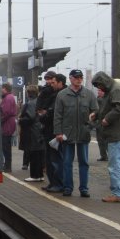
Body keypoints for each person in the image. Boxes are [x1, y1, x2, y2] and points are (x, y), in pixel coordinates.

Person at [53, 69, 98, 197]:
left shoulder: (89, 95)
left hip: (83, 134)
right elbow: (57, 115)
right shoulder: (62, 95)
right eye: (76, 77)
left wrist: (90, 126)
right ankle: (68, 187)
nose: (79, 79)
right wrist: (58, 132)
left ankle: (84, 188)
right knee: (67, 162)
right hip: (67, 134)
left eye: (81, 77)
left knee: (84, 162)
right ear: (71, 78)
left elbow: (96, 112)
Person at [91, 71, 120, 202]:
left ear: (104, 82)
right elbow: (108, 107)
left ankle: (117, 193)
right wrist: (97, 115)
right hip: (115, 132)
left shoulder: (115, 90)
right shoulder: (111, 90)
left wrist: (107, 119)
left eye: (99, 85)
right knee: (119, 164)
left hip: (115, 132)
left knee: (114, 164)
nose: (98, 88)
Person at [37, 72, 64, 192]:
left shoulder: (59, 95)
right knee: (50, 159)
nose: (50, 84)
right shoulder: (50, 92)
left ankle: (57, 183)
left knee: (55, 159)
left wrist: (44, 114)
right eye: (49, 81)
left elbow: (51, 113)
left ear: (60, 82)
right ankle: (53, 182)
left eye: (53, 82)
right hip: (49, 130)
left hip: (54, 131)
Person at [18, 84, 45, 182]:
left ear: (28, 93)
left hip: (32, 132)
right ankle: (40, 175)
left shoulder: (30, 103)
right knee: (39, 154)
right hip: (39, 130)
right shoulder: (39, 101)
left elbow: (30, 117)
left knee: (33, 154)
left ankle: (34, 175)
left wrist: (20, 120)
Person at [0, 82, 18, 172]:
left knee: (6, 145)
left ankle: (7, 166)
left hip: (7, 124)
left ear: (5, 89)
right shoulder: (10, 97)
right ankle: (7, 165)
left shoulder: (7, 98)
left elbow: (6, 112)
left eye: (2, 88)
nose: (1, 90)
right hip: (9, 122)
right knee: (6, 145)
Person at [94, 86, 108, 161]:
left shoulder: (106, 100)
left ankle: (107, 155)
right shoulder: (97, 99)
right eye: (98, 90)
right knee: (100, 140)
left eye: (100, 90)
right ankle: (103, 155)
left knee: (105, 140)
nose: (99, 92)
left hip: (105, 122)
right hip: (98, 123)